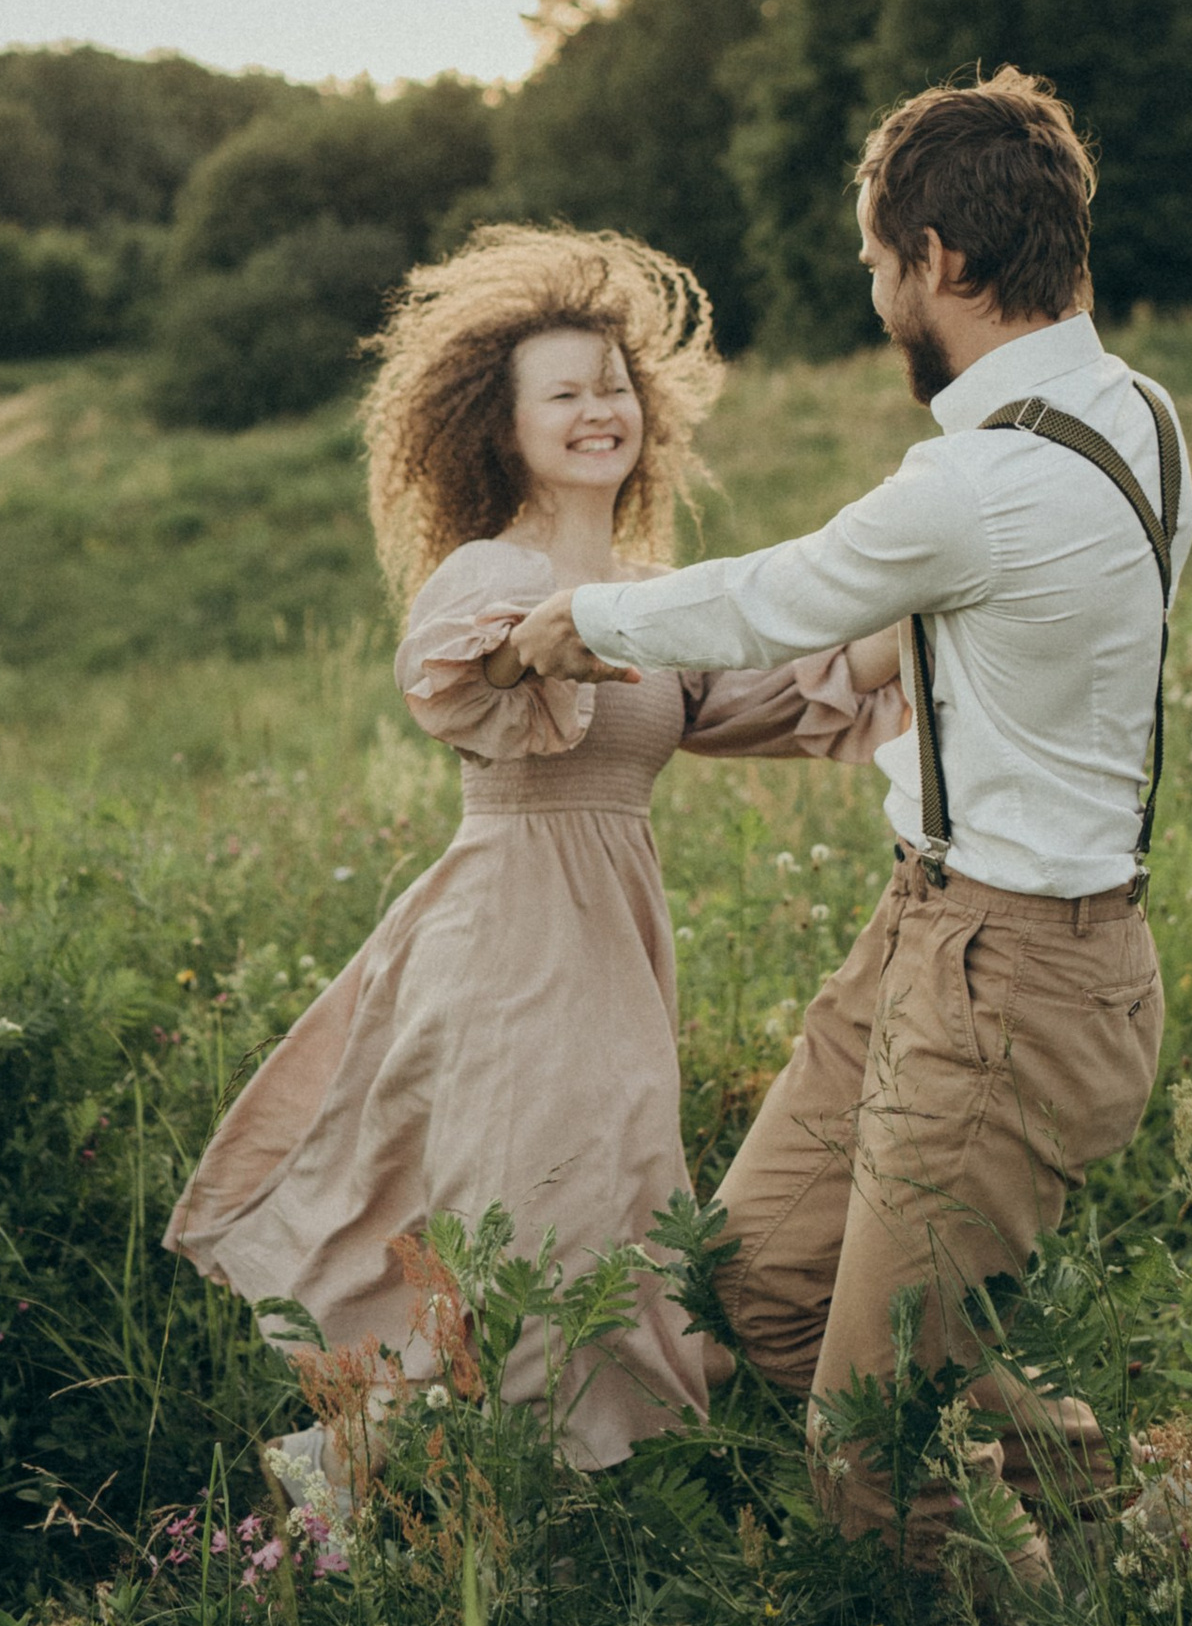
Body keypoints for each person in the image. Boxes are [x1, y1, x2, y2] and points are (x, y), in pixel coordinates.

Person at [508, 70, 1192, 1568]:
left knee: (868, 1467)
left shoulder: (976, 481)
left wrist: (582, 623)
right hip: (935, 935)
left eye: (880, 264)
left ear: (941, 260)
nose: (877, 293)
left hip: (1015, 982)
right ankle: (1108, 1496)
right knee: (753, 1289)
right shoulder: (1141, 417)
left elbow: (774, 593)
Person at [164, 225, 906, 1477]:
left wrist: (946, 586)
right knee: (540, 1214)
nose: (597, 410)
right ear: (503, 428)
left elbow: (789, 690)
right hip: (507, 936)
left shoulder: (649, 591)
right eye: (562, 393)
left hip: (610, 938)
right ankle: (474, 1494)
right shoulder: (484, 573)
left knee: (614, 1207)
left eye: (614, 386)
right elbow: (453, 671)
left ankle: (552, 1492)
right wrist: (533, 646)